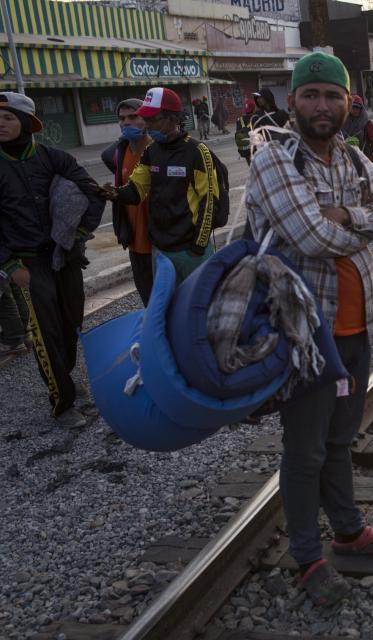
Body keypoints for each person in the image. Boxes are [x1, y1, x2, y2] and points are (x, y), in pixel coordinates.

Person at [244, 51, 373, 607]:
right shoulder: (274, 161)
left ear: (348, 101)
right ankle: (309, 559)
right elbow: (314, 239)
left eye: (331, 95)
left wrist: (350, 217)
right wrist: (361, 224)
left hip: (356, 325)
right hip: (303, 334)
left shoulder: (356, 159)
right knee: (305, 449)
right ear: (292, 101)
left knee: (340, 438)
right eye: (310, 95)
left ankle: (348, 530)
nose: (321, 105)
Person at [0, 92, 105, 428]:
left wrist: (78, 234)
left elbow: (92, 191)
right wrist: (9, 265)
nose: (1, 125)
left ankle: (69, 378)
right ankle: (62, 403)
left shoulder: (54, 158)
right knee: (46, 335)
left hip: (66, 258)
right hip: (29, 265)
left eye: (8, 118)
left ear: (28, 123)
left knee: (71, 324)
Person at [99, 87, 220, 285]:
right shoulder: (151, 152)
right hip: (161, 251)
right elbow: (137, 189)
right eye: (145, 120)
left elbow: (210, 202)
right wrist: (115, 193)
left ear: (172, 118)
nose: (147, 125)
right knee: (166, 310)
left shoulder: (197, 152)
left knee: (197, 308)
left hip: (191, 251)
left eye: (152, 120)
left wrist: (198, 246)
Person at [100, 98, 154, 305]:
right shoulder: (120, 153)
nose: (126, 123)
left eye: (133, 117)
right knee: (147, 299)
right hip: (134, 241)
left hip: (161, 241)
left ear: (147, 119)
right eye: (122, 119)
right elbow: (107, 158)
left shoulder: (157, 149)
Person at [341, 94, 373, 161]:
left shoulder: (367, 124)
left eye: (358, 107)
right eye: (353, 107)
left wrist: (370, 161)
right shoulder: (342, 122)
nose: (355, 110)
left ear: (362, 108)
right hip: (345, 160)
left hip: (364, 159)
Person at [235, 98, 255, 165]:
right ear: (253, 109)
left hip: (245, 149)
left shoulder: (239, 120)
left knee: (250, 165)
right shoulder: (255, 118)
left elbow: (238, 132)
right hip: (254, 148)